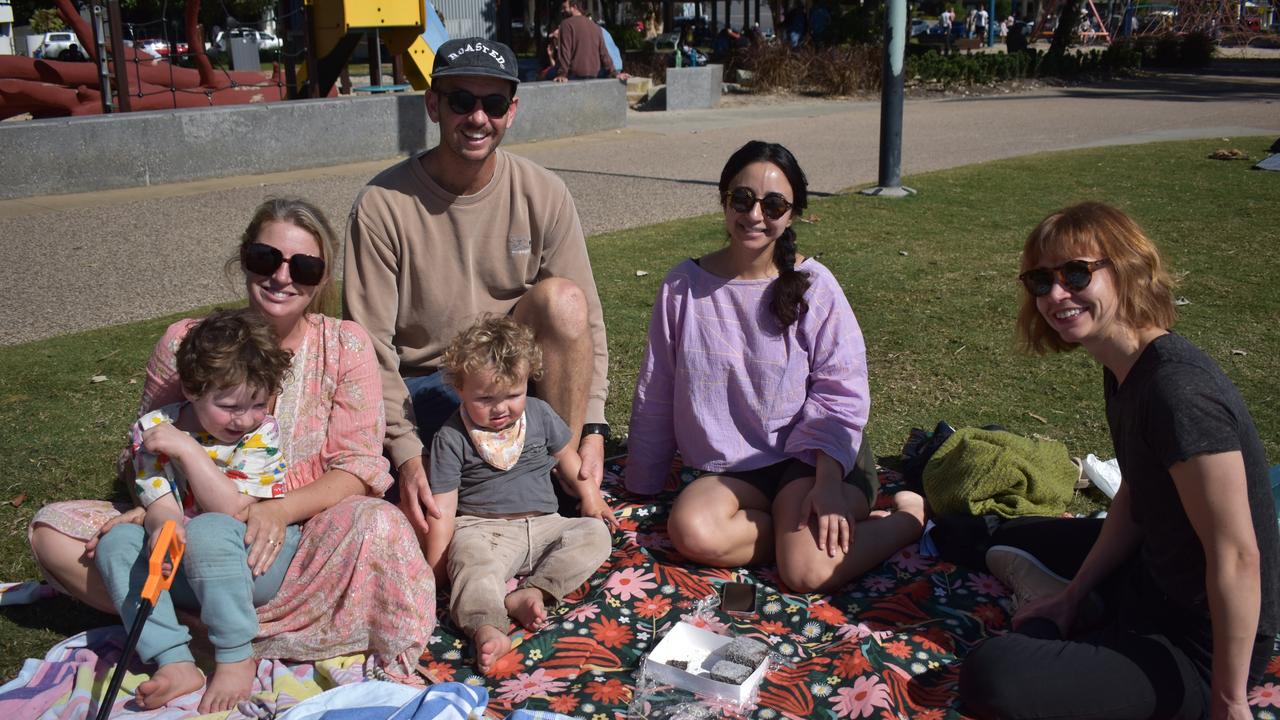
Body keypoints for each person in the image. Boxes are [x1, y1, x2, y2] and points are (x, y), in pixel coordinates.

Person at [29, 198, 435, 680]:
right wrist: (159, 504)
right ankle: (196, 632)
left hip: (296, 539)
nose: (283, 277)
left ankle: (200, 630)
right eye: (267, 259)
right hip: (184, 521)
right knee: (52, 531)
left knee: (380, 524)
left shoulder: (345, 344)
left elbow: (358, 466)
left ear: (322, 278)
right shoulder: (186, 341)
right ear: (244, 259)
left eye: (303, 266)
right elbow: (142, 447)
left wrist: (275, 512)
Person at [958, 202, 1280, 720]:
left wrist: (1229, 700)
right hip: (1151, 577)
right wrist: (1072, 595)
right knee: (1001, 537)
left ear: (1128, 268)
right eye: (1041, 280)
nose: (1056, 294)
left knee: (993, 674)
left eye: (1076, 273)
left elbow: (1239, 557)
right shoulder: (1125, 367)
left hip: (1199, 645)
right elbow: (1137, 496)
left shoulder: (1179, 393)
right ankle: (1084, 602)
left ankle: (1098, 619)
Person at [625, 141, 926, 593]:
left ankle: (908, 517)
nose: (755, 214)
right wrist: (642, 482)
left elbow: (839, 391)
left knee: (806, 573)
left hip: (811, 459)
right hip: (732, 470)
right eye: (742, 199)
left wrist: (826, 483)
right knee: (690, 531)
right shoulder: (682, 285)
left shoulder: (814, 285)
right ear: (724, 200)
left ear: (792, 213)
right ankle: (798, 538)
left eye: (774, 204)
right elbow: (658, 387)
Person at [344, 38, 611, 546]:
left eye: (492, 104)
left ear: (512, 111)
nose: (477, 117)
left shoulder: (544, 192)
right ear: (433, 105)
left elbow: (588, 322)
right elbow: (367, 345)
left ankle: (559, 480)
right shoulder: (382, 204)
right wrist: (406, 456)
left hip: (514, 384)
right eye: (461, 101)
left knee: (565, 300)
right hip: (427, 386)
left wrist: (593, 428)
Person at [95, 310, 294, 713]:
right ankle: (174, 660)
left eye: (258, 403)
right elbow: (160, 504)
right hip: (188, 568)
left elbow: (232, 509)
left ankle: (236, 654)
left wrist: (188, 450)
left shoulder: (262, 432)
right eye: (229, 405)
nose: (245, 418)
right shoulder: (154, 429)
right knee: (117, 542)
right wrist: (162, 529)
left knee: (208, 530)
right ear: (190, 388)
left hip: (250, 560)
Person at [424, 316, 614, 673]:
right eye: (485, 398)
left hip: (545, 523)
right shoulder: (450, 437)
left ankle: (536, 591)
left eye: (513, 395)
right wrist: (436, 569)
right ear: (459, 388)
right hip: (484, 529)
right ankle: (487, 626)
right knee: (472, 564)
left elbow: (569, 461)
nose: (501, 409)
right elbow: (444, 510)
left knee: (593, 534)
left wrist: (590, 496)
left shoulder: (539, 414)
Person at [553, 0, 616, 81]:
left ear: (575, 7)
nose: (562, 11)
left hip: (574, 75)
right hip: (593, 75)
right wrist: (613, 72)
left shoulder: (566, 24)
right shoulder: (595, 27)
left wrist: (562, 74)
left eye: (565, 8)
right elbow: (604, 54)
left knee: (545, 75)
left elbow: (565, 51)